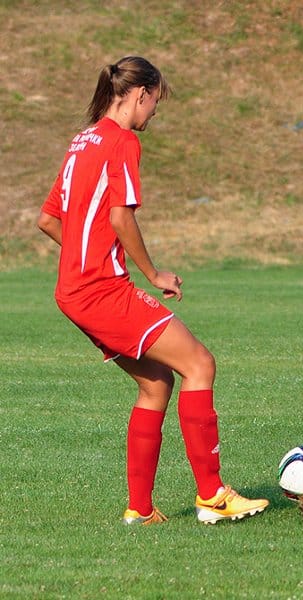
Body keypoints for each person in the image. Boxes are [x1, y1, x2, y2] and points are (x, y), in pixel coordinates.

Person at [37, 56, 268, 525]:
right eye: (155, 102)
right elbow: (122, 218)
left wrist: (88, 258)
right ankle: (212, 496)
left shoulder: (81, 141)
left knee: (155, 383)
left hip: (73, 292)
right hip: (102, 291)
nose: (155, 113)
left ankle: (140, 510)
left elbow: (48, 220)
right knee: (200, 363)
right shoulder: (121, 142)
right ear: (139, 94)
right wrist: (154, 273)